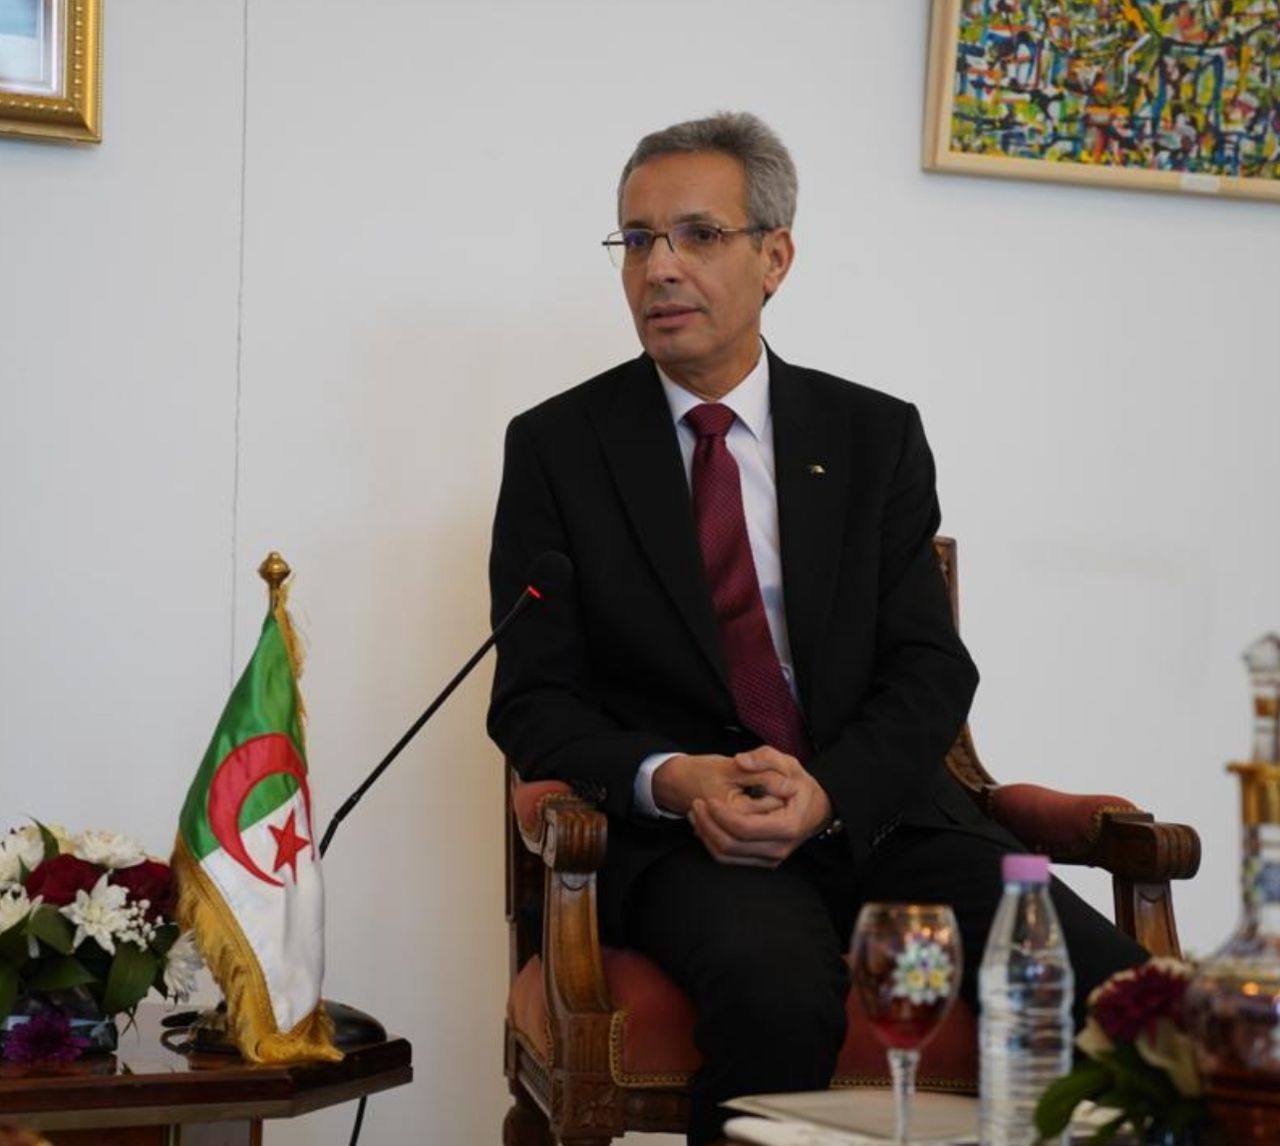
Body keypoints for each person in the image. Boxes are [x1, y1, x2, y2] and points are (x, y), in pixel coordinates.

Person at [487, 111, 1145, 1146]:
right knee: (777, 996)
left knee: (1138, 1007)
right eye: (637, 239)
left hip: (881, 817)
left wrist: (830, 790)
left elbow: (929, 667)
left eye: (698, 235)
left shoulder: (872, 435)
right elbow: (532, 700)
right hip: (691, 845)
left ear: (774, 257)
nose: (659, 267)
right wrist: (677, 778)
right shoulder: (558, 448)